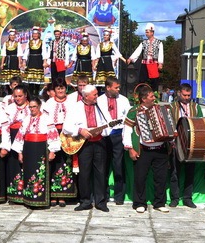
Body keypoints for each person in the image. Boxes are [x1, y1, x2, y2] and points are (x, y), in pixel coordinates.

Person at [124, 84, 173, 213]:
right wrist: (130, 148)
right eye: (151, 96)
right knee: (140, 177)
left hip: (160, 148)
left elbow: (169, 125)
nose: (154, 98)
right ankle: (139, 203)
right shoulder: (134, 111)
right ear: (143, 99)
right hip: (143, 149)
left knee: (161, 177)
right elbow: (127, 131)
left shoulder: (161, 109)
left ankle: (159, 202)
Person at [64, 84, 111, 212]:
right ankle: (85, 201)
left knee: (100, 172)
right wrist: (80, 130)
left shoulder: (101, 106)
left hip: (99, 143)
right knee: (84, 173)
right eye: (94, 94)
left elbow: (109, 124)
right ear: (86, 96)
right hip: (83, 144)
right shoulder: (75, 107)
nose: (97, 96)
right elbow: (66, 127)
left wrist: (102, 131)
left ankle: (100, 201)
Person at [12, 93, 60, 209]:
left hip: (40, 149)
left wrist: (52, 150)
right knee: (28, 172)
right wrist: (20, 152)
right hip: (28, 149)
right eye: (31, 107)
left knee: (40, 173)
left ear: (39, 107)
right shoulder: (26, 119)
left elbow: (52, 135)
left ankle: (40, 199)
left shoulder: (46, 119)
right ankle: (29, 199)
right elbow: (20, 136)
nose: (32, 109)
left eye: (35, 107)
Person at [42, 78, 74, 206]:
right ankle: (53, 195)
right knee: (53, 163)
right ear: (54, 90)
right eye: (58, 88)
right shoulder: (49, 103)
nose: (60, 90)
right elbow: (45, 120)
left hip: (68, 135)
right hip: (52, 134)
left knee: (66, 164)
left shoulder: (71, 102)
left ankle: (63, 195)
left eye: (62, 88)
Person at [169, 83, 202, 208]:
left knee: (190, 172)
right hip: (176, 143)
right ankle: (175, 198)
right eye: (184, 95)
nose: (187, 97)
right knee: (174, 172)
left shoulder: (195, 107)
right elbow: (168, 121)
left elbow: (200, 122)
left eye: (189, 95)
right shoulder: (172, 107)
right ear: (179, 93)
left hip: (191, 144)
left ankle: (188, 198)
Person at [98, 76, 130, 205]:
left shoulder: (123, 100)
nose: (118, 90)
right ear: (108, 87)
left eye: (118, 87)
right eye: (116, 87)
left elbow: (128, 118)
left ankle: (119, 196)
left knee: (118, 166)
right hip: (104, 136)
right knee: (103, 167)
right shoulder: (99, 100)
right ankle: (103, 195)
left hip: (118, 134)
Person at [5, 85, 31, 204]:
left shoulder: (31, 107)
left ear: (26, 95)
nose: (18, 98)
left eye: (20, 96)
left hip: (28, 137)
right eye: (15, 96)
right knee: (14, 164)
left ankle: (28, 192)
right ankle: (14, 194)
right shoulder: (9, 108)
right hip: (13, 136)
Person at [128, 23, 163, 91]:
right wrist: (131, 58)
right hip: (144, 63)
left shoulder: (159, 42)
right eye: (146, 32)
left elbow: (161, 53)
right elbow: (138, 51)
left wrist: (160, 63)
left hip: (154, 63)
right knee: (141, 80)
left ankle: (154, 96)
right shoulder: (143, 43)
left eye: (147, 32)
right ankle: (141, 95)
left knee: (154, 81)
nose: (146, 33)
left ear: (152, 32)